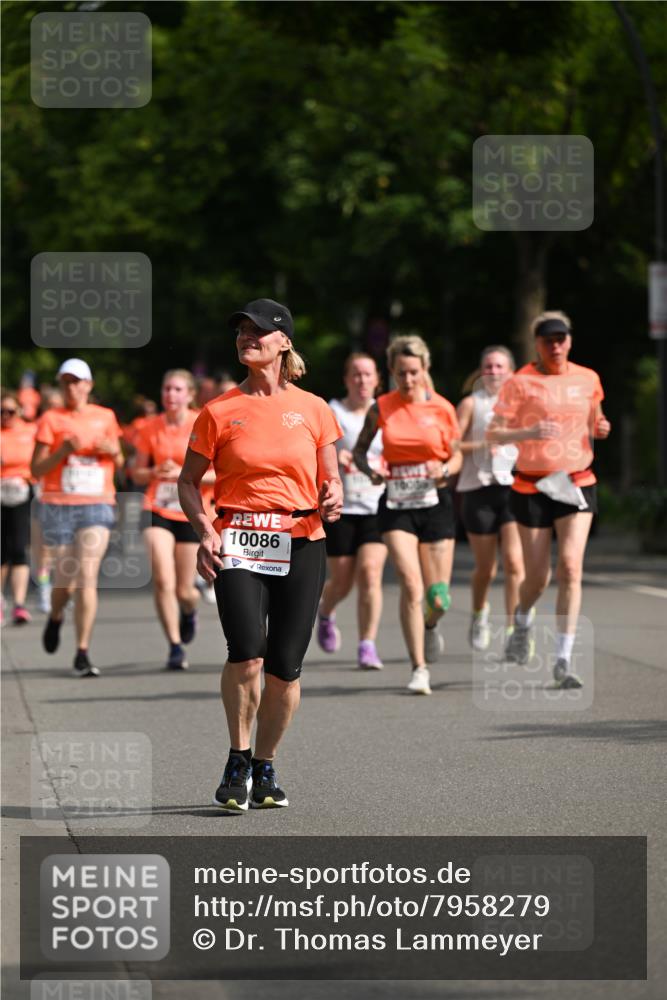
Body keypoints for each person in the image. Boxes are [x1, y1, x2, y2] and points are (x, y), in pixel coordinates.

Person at [178, 298, 343, 813]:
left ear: (284, 341)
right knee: (246, 651)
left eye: (258, 330)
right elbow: (188, 483)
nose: (247, 337)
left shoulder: (314, 409)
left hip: (302, 538)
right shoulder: (219, 411)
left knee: (284, 667)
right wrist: (205, 529)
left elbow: (331, 479)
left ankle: (265, 765)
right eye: (241, 331)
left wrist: (334, 495)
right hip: (239, 539)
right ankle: (238, 757)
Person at [488, 311, 611, 688]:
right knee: (538, 577)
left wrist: (600, 427)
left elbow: (596, 421)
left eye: (561, 339)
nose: (556, 346)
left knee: (570, 568)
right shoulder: (519, 382)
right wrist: (528, 431)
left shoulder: (588, 378)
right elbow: (494, 434)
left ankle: (563, 659)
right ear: (537, 344)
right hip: (532, 485)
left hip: (576, 481)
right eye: (548, 340)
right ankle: (522, 618)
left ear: (570, 341)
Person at [353, 335, 462, 695]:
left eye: (414, 372)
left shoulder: (442, 409)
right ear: (391, 371)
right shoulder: (381, 407)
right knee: (411, 583)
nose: (408, 379)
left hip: (435, 503)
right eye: (401, 372)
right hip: (397, 504)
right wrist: (372, 473)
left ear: (425, 369)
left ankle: (430, 625)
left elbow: (457, 455)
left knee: (438, 598)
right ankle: (419, 668)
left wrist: (443, 470)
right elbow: (359, 452)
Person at [31, 359, 123, 677]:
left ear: (88, 385)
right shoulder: (50, 419)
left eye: (77, 381)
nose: (71, 387)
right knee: (65, 580)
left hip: (97, 504)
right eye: (66, 382)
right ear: (61, 385)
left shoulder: (105, 417)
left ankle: (82, 652)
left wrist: (112, 450)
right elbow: (36, 469)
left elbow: (119, 459)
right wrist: (61, 452)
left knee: (86, 575)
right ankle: (56, 615)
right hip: (59, 505)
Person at [132, 370, 214, 671]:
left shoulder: (203, 422)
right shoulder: (149, 427)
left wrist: (184, 476)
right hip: (157, 507)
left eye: (178, 389)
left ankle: (189, 611)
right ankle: (175, 645)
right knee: (162, 581)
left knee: (184, 590)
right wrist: (154, 472)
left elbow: (220, 474)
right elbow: (136, 473)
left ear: (190, 394)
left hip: (192, 511)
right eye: (167, 389)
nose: (171, 395)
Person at [316, 353, 387, 669]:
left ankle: (367, 645)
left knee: (370, 573)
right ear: (346, 379)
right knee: (342, 581)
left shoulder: (386, 411)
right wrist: (337, 458)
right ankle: (326, 611)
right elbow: (316, 451)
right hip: (342, 508)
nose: (362, 380)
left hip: (377, 505)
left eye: (368, 374)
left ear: (377, 379)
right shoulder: (333, 411)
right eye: (356, 374)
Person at [456, 346, 524, 650]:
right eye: (488, 367)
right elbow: (452, 444)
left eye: (499, 366)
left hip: (512, 489)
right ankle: (479, 613)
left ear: (510, 372)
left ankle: (514, 630)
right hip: (478, 490)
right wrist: (484, 444)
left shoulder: (522, 405)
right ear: (481, 371)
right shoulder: (471, 404)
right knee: (487, 568)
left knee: (514, 563)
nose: (494, 372)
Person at [1, 390, 37, 625]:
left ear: (19, 411)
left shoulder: (30, 431)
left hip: (22, 492)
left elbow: (39, 460)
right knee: (1, 550)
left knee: (19, 547)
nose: (5, 416)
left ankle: (19, 604)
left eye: (10, 411)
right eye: (1, 411)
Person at [33, 386, 64, 613]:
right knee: (44, 546)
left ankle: (60, 590)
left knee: (63, 547)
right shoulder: (36, 428)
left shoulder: (68, 428)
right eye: (49, 406)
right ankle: (44, 589)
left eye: (56, 405)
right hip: (40, 492)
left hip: (66, 495)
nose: (53, 410)